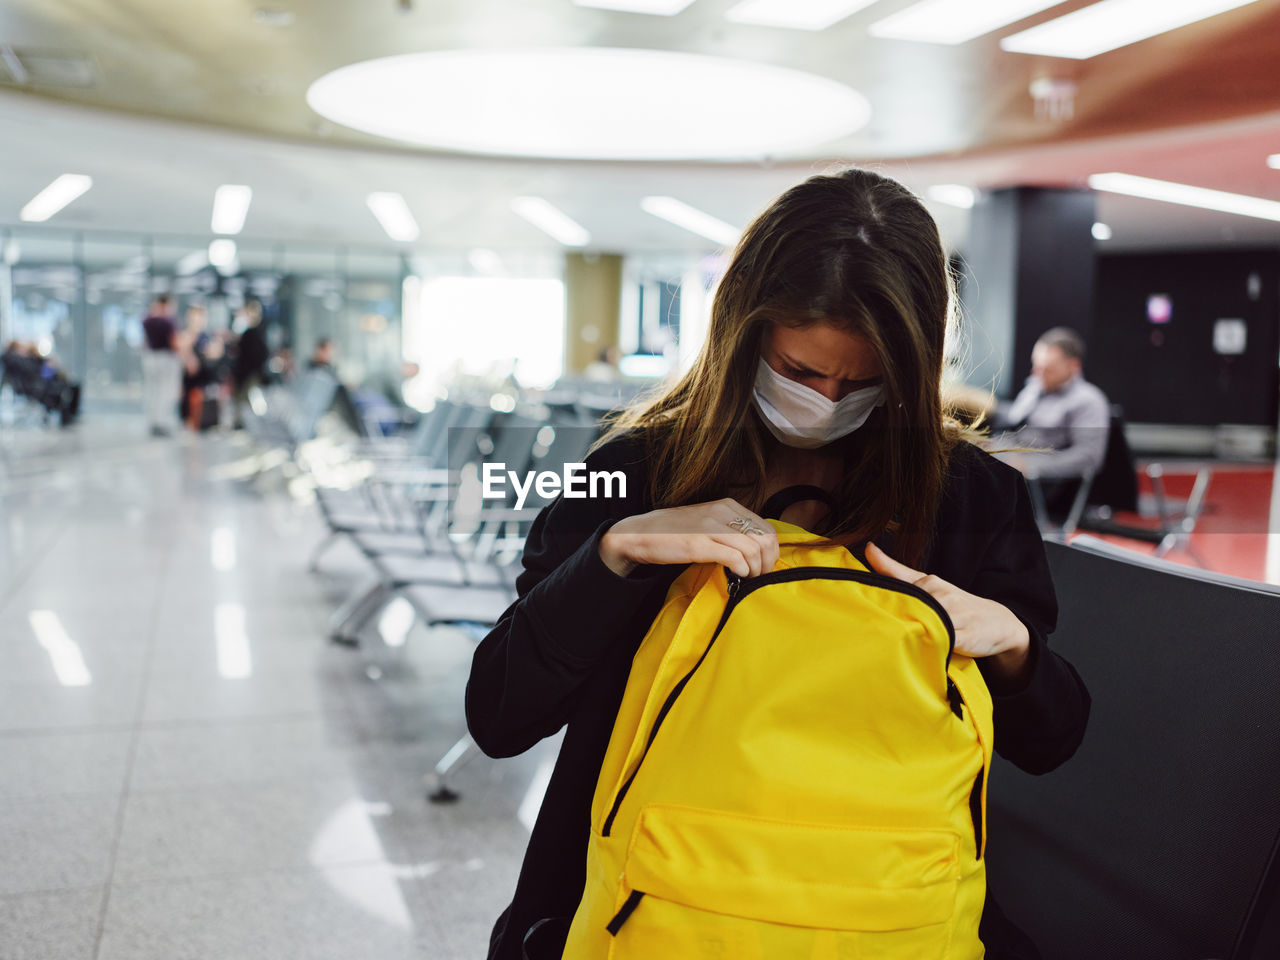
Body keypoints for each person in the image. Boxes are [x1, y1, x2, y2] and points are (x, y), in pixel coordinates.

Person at [466, 168, 1091, 960]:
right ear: (745, 333)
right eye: (799, 372)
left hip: (875, 905)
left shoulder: (966, 494)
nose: (827, 400)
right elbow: (498, 715)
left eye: (863, 383)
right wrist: (615, 555)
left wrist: (1012, 643)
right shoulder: (638, 467)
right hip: (650, 902)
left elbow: (1053, 740)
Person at [993, 327, 1111, 517]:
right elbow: (1013, 423)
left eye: (1047, 370)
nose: (1037, 374)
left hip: (1046, 485)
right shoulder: (1036, 388)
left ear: (1073, 367)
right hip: (1014, 467)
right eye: (1036, 367)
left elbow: (1088, 458)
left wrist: (1031, 466)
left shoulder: (1089, 401)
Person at [140, 294, 181, 436]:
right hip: (165, 358)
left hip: (150, 358)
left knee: (152, 392)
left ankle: (153, 422)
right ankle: (161, 423)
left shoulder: (147, 320)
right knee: (164, 392)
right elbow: (174, 343)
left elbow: (144, 342)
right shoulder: (168, 322)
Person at [231, 301, 268, 428]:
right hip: (248, 374)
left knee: (247, 401)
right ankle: (245, 424)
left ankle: (247, 424)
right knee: (245, 401)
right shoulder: (252, 333)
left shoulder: (253, 334)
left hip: (249, 375)